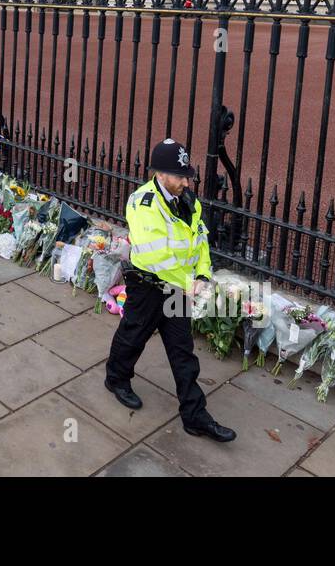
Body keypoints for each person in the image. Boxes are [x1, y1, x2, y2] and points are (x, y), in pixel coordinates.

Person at [103, 138, 237, 443]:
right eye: (180, 176)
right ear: (160, 174)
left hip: (178, 288)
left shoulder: (190, 202)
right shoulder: (142, 203)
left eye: (187, 176)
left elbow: (200, 241)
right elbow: (156, 256)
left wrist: (203, 271)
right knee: (133, 334)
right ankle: (116, 379)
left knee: (182, 351)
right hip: (149, 284)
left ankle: (195, 416)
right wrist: (189, 283)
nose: (186, 182)